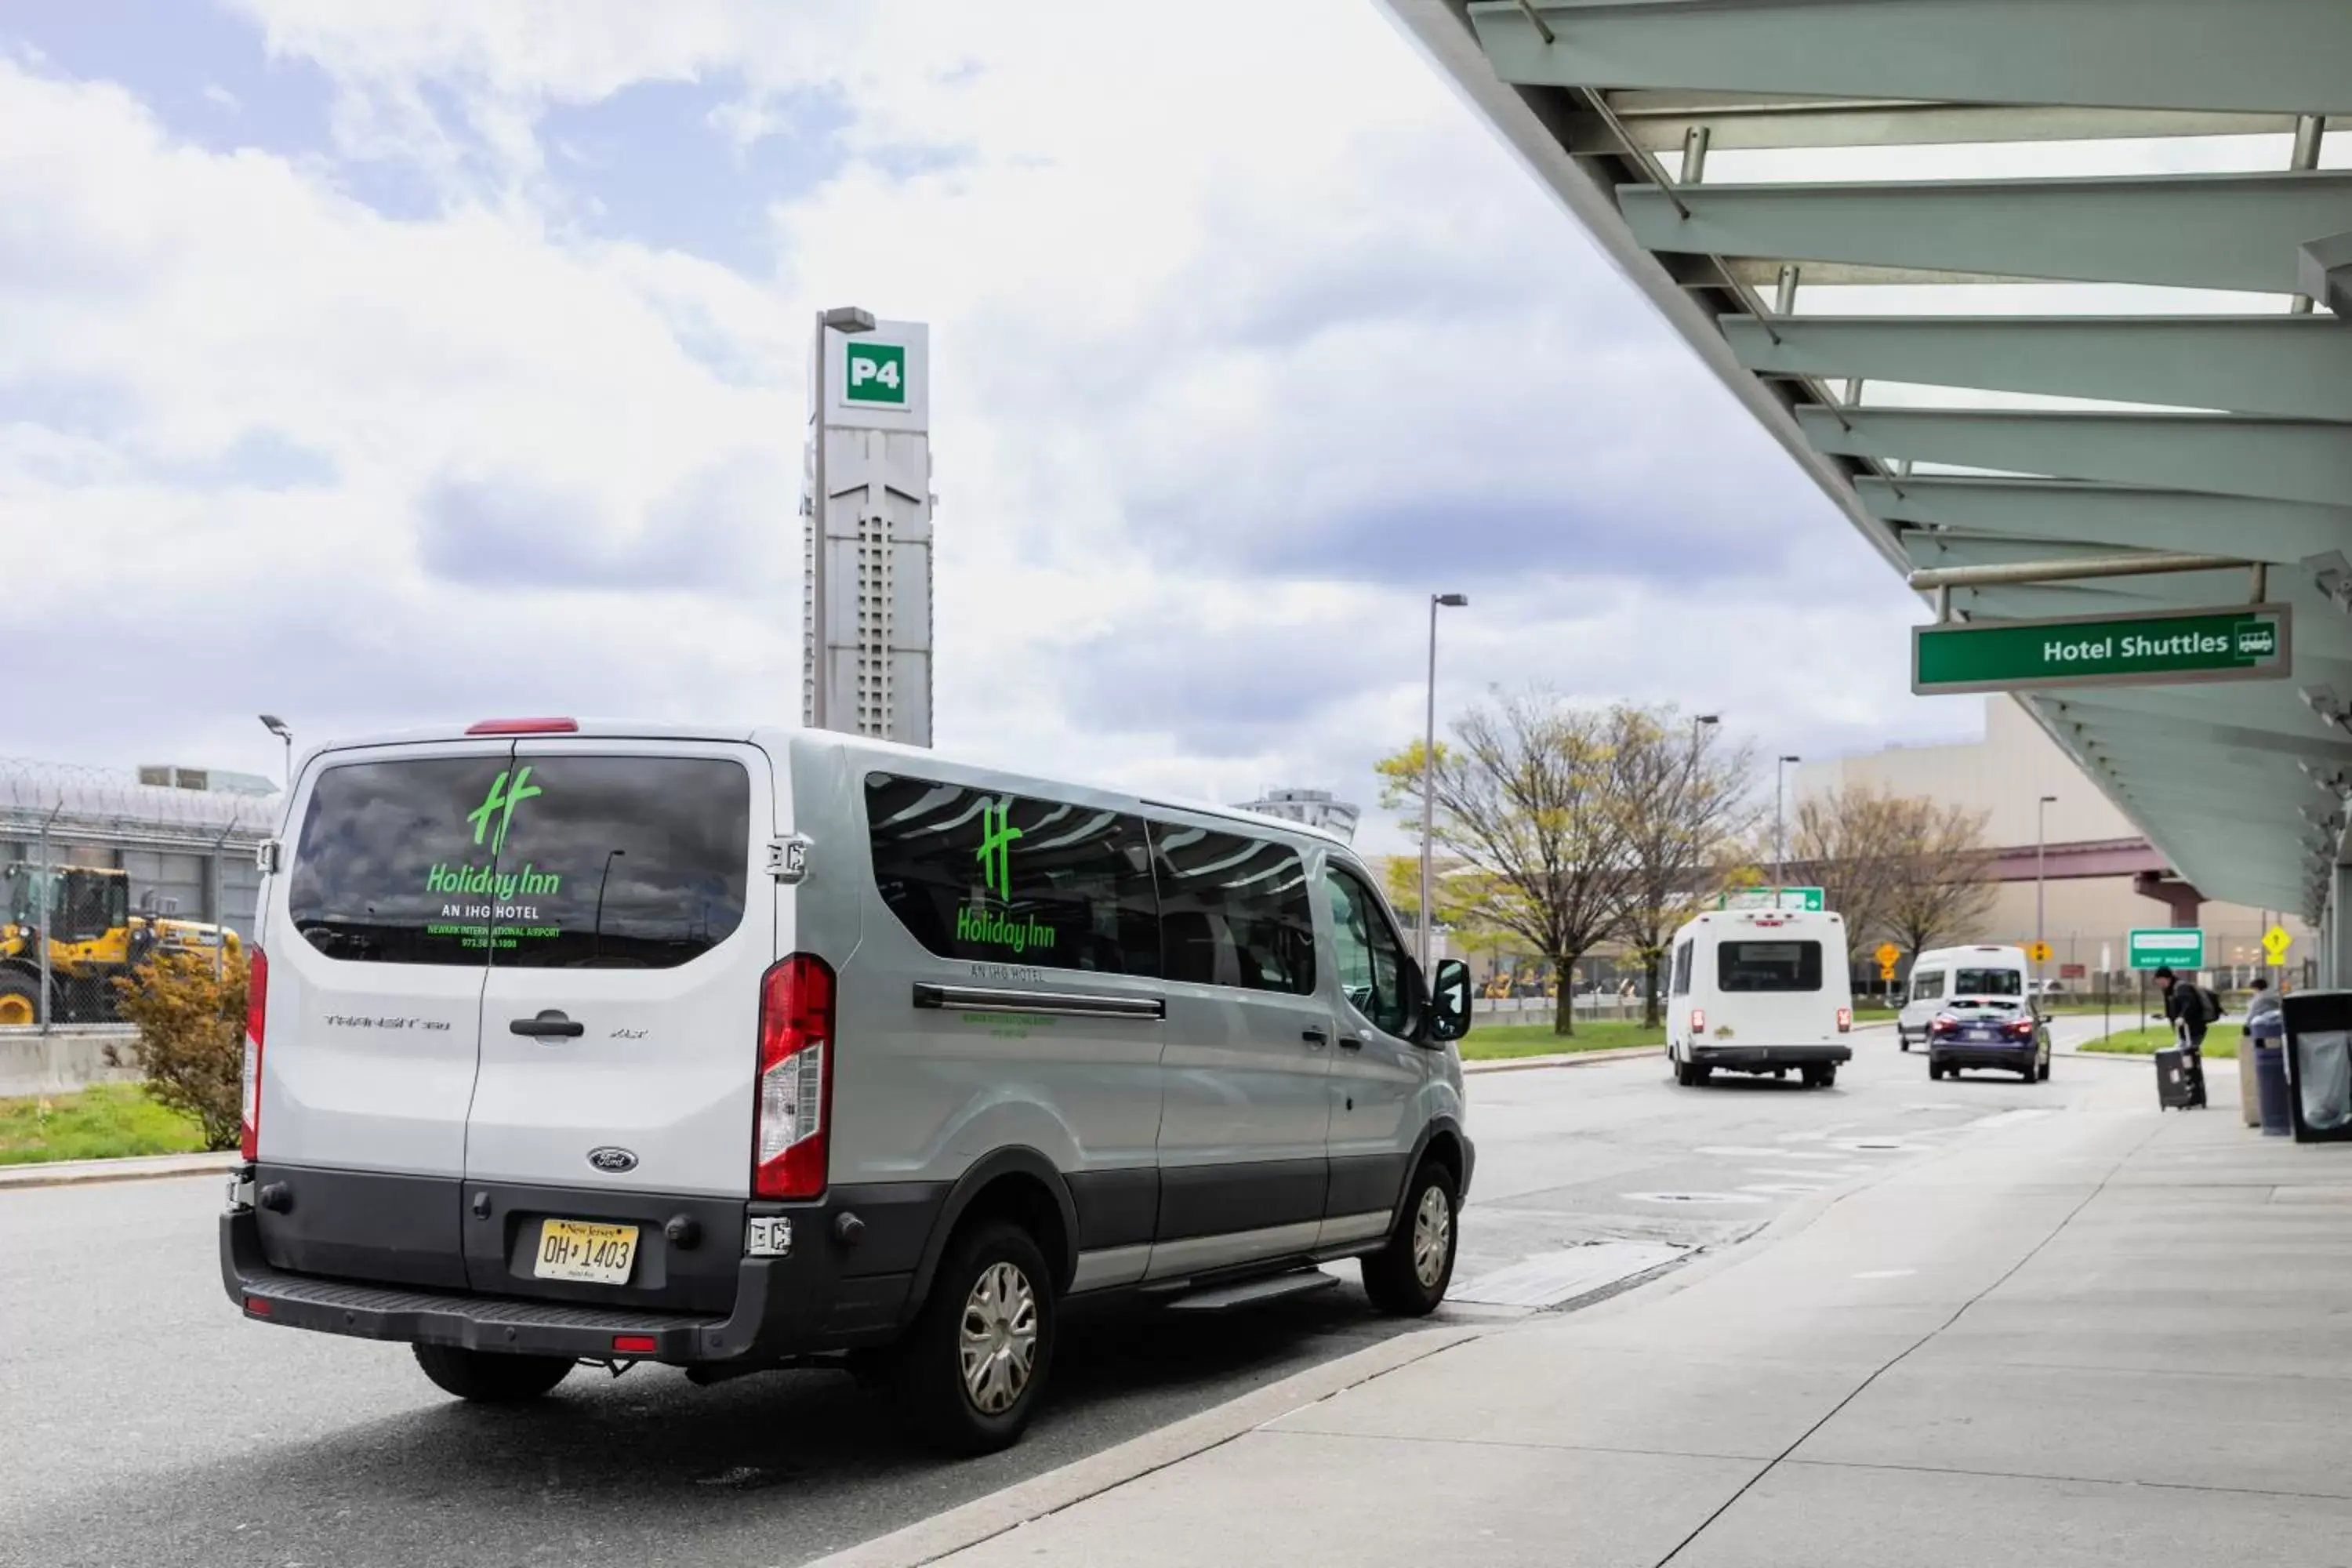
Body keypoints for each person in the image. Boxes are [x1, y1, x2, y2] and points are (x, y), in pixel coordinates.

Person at [2154, 966, 2210, 1108]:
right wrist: (2166, 1016)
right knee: (2186, 1059)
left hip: (2193, 1030)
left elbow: (2189, 1004)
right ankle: (2189, 1093)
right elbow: (2175, 1007)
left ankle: (2194, 1093)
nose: (2159, 984)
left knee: (2188, 1059)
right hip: (2184, 1030)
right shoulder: (2170, 990)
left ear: (2166, 978)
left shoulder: (2181, 988)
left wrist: (2182, 1017)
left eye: (2159, 980)